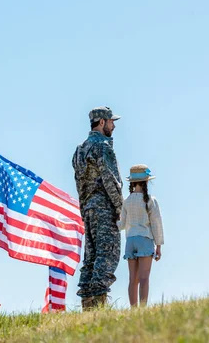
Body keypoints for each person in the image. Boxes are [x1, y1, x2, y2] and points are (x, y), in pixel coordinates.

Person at [72, 106, 123, 311]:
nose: (113, 126)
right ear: (102, 122)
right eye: (112, 122)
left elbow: (79, 183)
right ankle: (99, 307)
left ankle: (87, 307)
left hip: (88, 210)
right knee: (107, 256)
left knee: (91, 258)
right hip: (104, 208)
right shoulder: (103, 147)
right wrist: (121, 209)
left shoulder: (79, 150)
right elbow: (111, 181)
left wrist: (84, 209)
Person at [117, 164, 164, 307]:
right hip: (145, 239)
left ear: (131, 182)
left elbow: (122, 225)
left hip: (130, 241)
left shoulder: (126, 201)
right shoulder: (150, 200)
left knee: (133, 279)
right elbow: (156, 224)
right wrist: (159, 246)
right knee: (144, 279)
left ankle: (133, 309)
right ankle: (142, 309)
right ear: (146, 181)